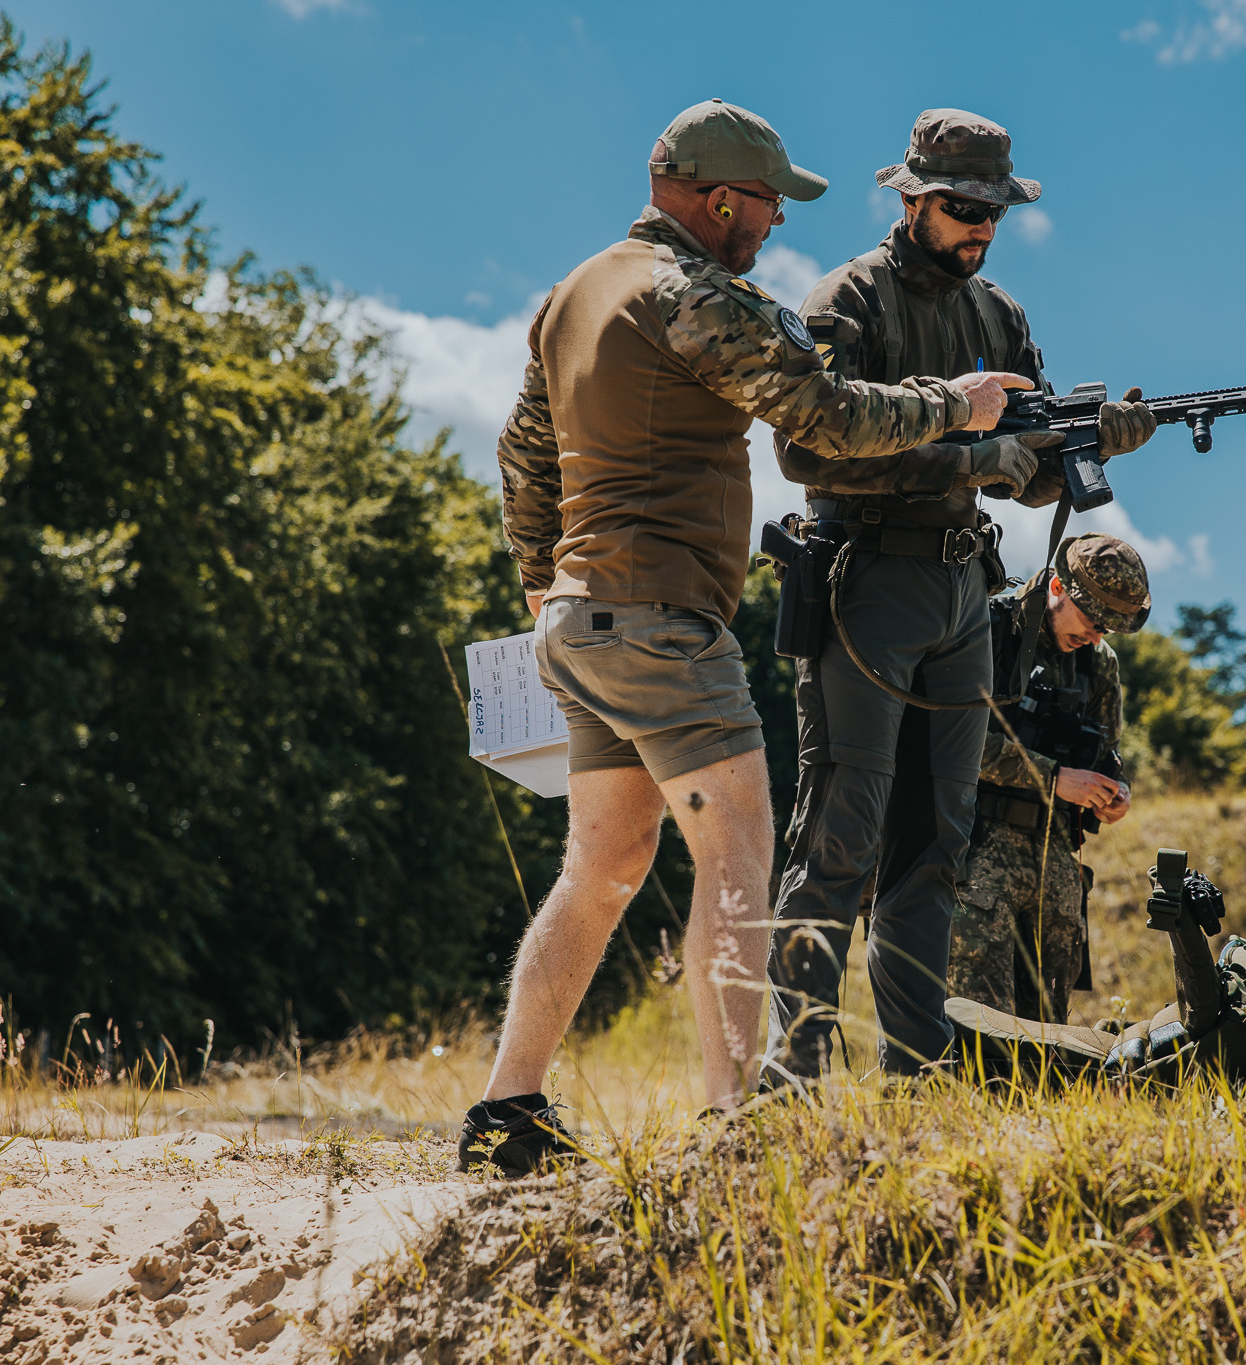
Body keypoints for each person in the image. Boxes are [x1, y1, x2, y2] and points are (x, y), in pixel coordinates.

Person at [470, 98, 1026, 1172]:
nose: (775, 224)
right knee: (737, 851)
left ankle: (507, 1110)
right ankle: (737, 1128)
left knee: (603, 867)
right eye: (770, 204)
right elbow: (825, 417)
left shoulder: (572, 293)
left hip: (580, 622)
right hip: (663, 623)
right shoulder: (694, 296)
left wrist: (542, 582)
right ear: (720, 200)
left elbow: (522, 455)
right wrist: (953, 407)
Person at [761, 109, 1156, 1086]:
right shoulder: (848, 299)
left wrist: (1094, 444)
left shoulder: (1000, 316)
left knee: (936, 839)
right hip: (867, 581)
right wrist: (968, 454)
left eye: (994, 210)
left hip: (961, 587)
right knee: (842, 832)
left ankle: (913, 1073)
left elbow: (1027, 476)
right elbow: (805, 447)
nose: (982, 226)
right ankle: (795, 1071)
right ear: (912, 199)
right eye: (963, 208)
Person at [945, 533, 1148, 1023]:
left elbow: (1105, 752)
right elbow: (948, 740)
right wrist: (1052, 777)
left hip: (1056, 868)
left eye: (1108, 628)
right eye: (1093, 621)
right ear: (1057, 587)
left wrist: (1114, 792)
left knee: (1049, 1035)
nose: (1096, 636)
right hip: (975, 857)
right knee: (980, 1029)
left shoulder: (1098, 663)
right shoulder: (986, 629)